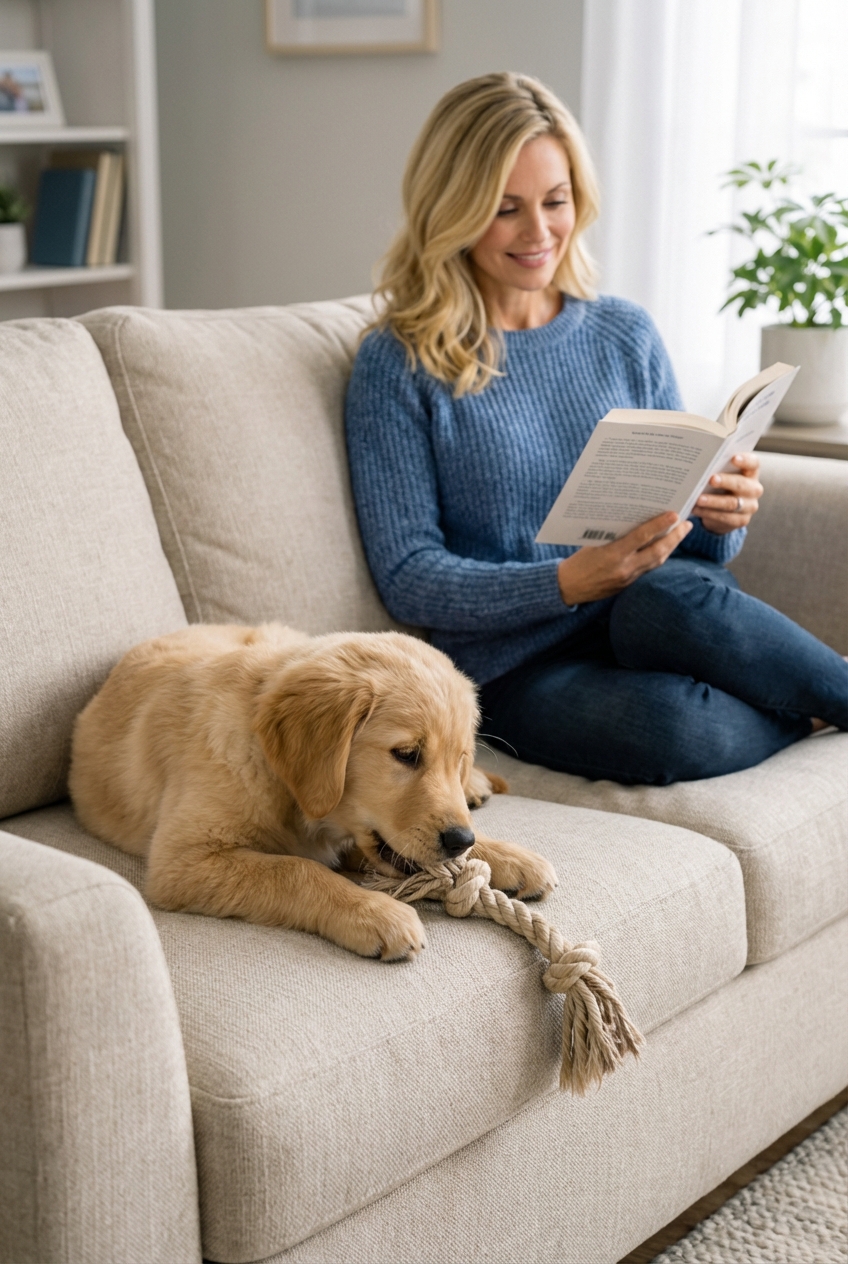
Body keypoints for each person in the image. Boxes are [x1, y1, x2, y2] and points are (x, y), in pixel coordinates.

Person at [344, 72, 847, 785]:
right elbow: (409, 576)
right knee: (668, 728)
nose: (540, 231)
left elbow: (698, 549)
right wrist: (565, 583)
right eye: (505, 208)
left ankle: (829, 691)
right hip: (521, 664)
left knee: (669, 598)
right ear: (451, 210)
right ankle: (817, 697)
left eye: (556, 201)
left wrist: (721, 512)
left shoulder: (623, 332)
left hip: (657, 608)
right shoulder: (399, 361)